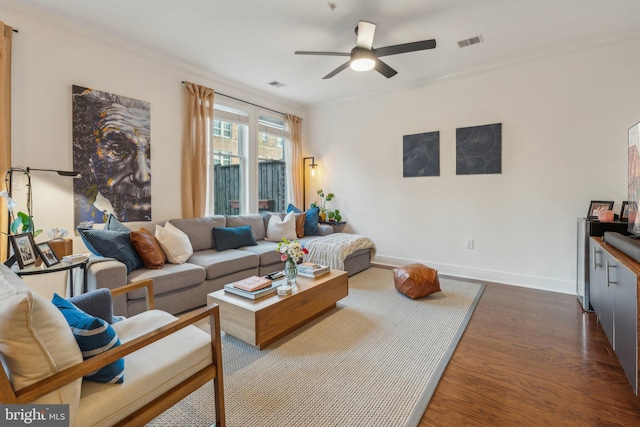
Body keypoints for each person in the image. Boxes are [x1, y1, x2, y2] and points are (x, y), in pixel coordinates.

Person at [72, 86, 151, 223]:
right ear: (90, 158)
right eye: (118, 149)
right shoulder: (86, 222)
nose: (142, 176)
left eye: (149, 153)